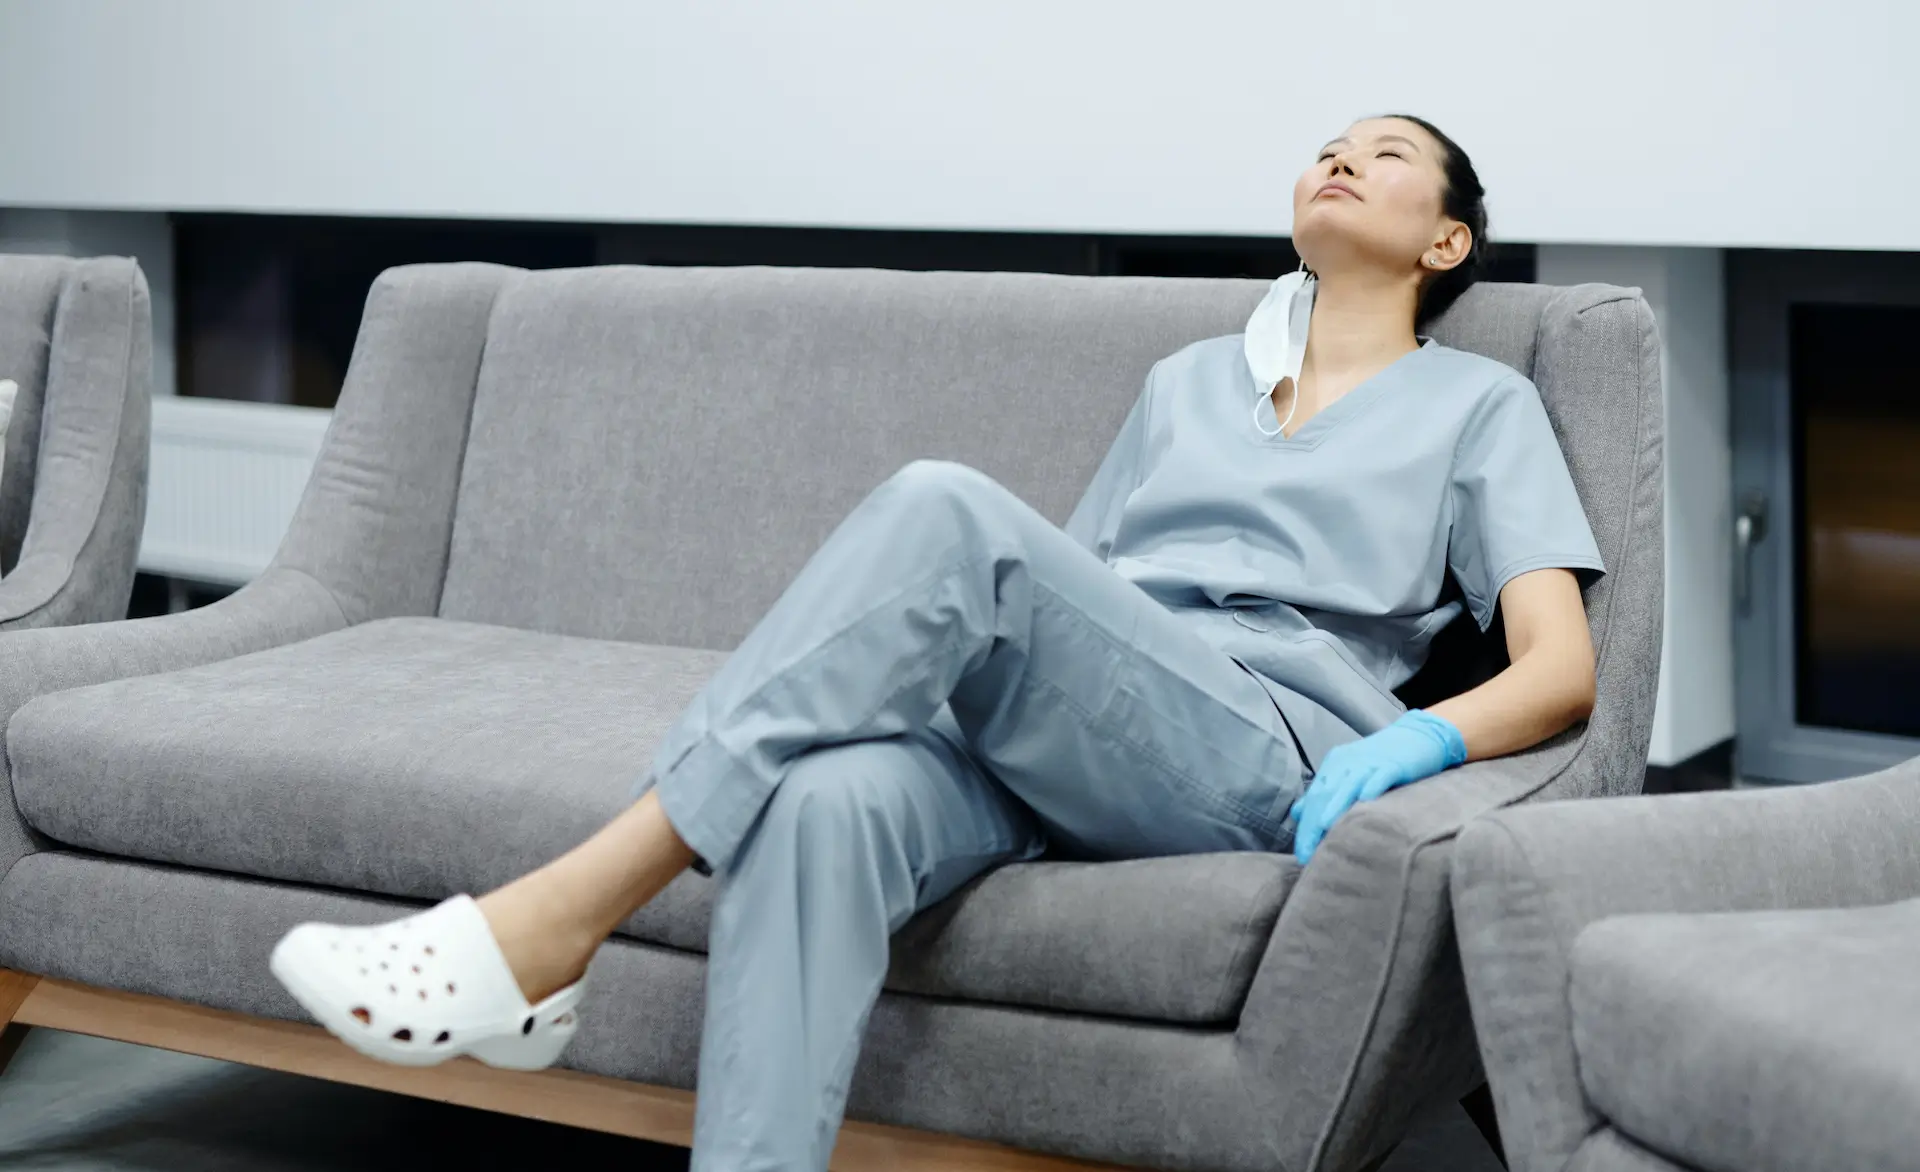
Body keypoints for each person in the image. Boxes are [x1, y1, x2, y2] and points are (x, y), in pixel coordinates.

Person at [269, 114, 1603, 1169]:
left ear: (1445, 243)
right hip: (1090, 726)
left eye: (1385, 158)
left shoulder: (1479, 405)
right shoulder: (1187, 382)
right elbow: (1072, 593)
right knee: (823, 800)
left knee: (945, 508)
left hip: (1258, 744)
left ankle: (551, 923)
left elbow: (1560, 668)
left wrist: (1419, 737)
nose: (1340, 161)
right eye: (1327, 147)